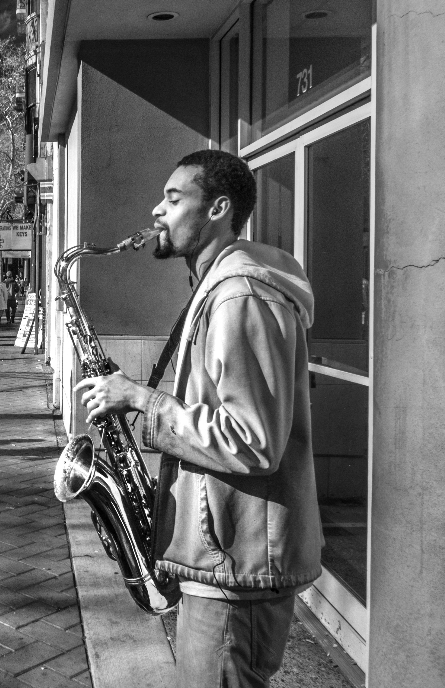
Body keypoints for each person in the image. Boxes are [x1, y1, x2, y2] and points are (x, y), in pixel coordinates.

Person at [74, 149, 322, 688]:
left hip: (235, 568)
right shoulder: (219, 288)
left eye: (173, 198)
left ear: (218, 209)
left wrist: (145, 401)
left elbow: (253, 441)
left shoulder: (241, 297)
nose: (156, 211)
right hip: (223, 560)